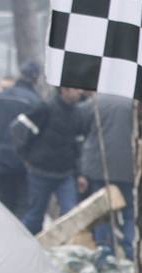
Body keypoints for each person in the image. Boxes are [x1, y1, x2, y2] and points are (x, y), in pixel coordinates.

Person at [14, 85, 91, 234]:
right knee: (35, 217)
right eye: (76, 89)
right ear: (64, 90)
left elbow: (78, 147)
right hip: (40, 173)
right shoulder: (45, 108)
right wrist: (26, 157)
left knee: (71, 216)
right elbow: (18, 129)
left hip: (65, 174)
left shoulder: (77, 114)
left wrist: (80, 173)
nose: (80, 92)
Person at [79, 93, 135, 259]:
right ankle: (129, 248)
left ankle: (104, 250)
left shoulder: (94, 103)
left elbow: (80, 124)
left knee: (102, 211)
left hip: (99, 167)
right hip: (127, 167)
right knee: (129, 212)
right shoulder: (134, 103)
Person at [0, 62, 42, 216]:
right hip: (22, 159)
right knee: (22, 202)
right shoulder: (35, 102)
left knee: (2, 198)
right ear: (35, 79)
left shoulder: (1, 97)